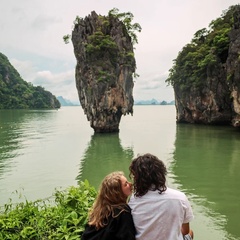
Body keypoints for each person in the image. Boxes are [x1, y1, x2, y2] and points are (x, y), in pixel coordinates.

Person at [128, 153, 194, 240]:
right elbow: (185, 231)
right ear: (161, 173)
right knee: (190, 233)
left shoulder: (133, 200)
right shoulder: (180, 197)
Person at [81, 171, 136, 240]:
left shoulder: (98, 212)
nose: (130, 184)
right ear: (117, 192)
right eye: (126, 184)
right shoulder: (122, 211)